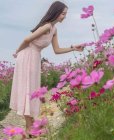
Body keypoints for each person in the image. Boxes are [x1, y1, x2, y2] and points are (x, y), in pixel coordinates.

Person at [10, 0, 84, 138]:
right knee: (28, 89)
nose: (65, 17)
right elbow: (27, 40)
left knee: (32, 90)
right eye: (63, 14)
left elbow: (57, 50)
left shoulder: (54, 29)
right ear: (56, 13)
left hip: (35, 57)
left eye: (65, 14)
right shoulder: (46, 26)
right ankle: (29, 128)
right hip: (27, 56)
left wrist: (74, 47)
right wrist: (16, 52)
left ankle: (30, 127)